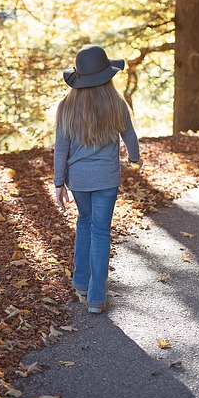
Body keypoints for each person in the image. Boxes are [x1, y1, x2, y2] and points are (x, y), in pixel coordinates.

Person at [54, 45, 143, 314]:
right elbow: (130, 135)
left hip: (78, 180)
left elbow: (61, 147)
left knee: (84, 222)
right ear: (107, 76)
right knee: (100, 230)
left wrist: (59, 182)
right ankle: (96, 296)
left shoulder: (66, 107)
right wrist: (134, 158)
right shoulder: (116, 103)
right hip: (106, 178)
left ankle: (80, 282)